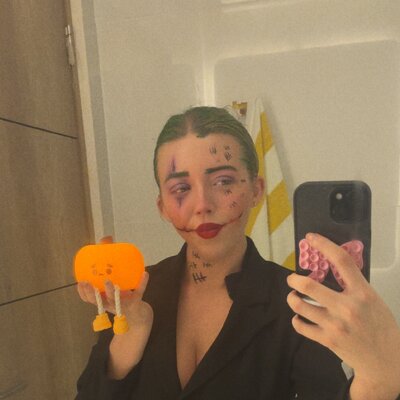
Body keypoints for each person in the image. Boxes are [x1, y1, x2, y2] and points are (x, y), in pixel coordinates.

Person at [76, 107, 400, 399]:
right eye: (181, 188)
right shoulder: (133, 295)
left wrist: (379, 382)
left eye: (222, 181)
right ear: (162, 206)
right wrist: (132, 334)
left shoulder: (296, 300)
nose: (203, 205)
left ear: (256, 191)